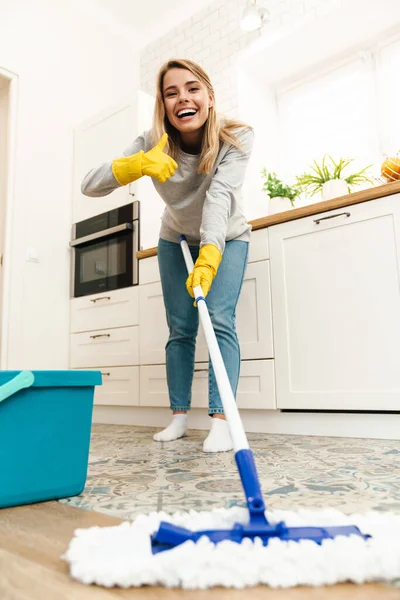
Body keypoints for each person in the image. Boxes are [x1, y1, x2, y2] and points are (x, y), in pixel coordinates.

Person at [81, 58, 254, 453]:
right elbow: (90, 185)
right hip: (174, 239)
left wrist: (210, 253)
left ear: (209, 96)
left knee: (220, 321)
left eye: (192, 89)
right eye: (171, 93)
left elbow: (219, 197)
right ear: (163, 104)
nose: (183, 99)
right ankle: (178, 417)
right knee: (180, 328)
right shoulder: (152, 141)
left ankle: (222, 421)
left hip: (226, 236)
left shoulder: (236, 136)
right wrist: (135, 165)